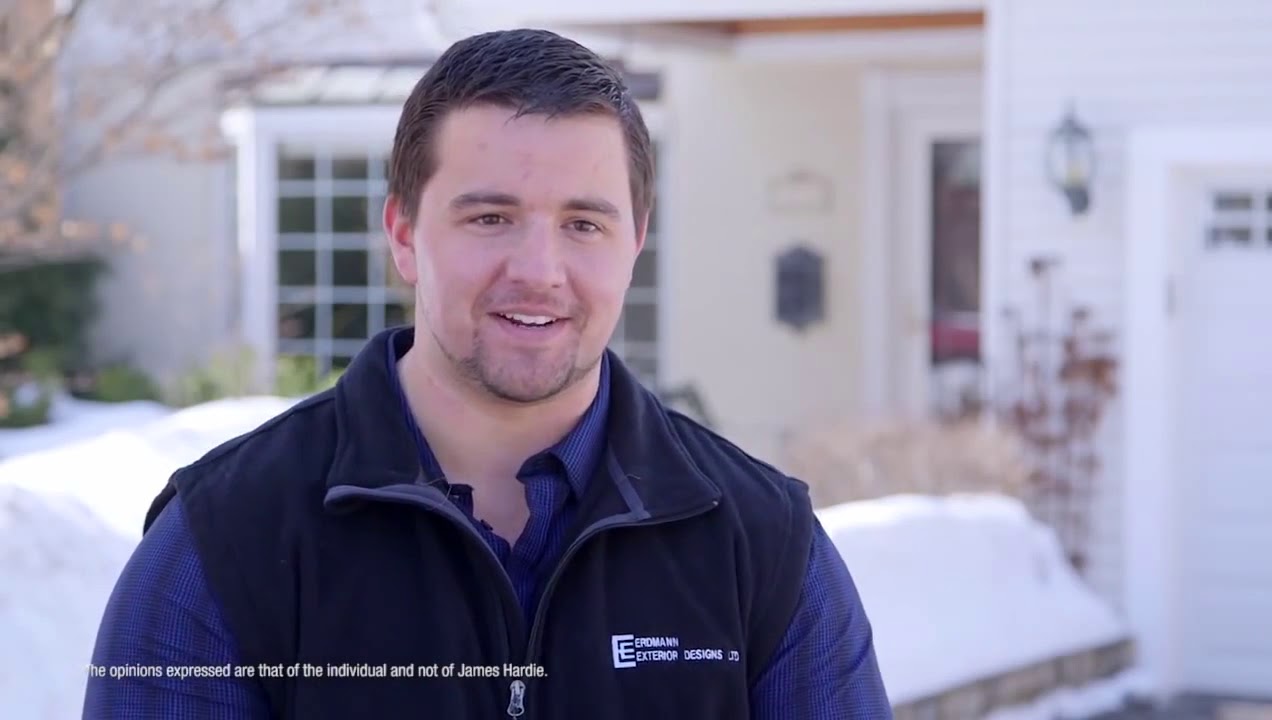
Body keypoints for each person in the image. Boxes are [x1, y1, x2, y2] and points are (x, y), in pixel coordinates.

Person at [83, 28, 891, 719]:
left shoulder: (763, 546)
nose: (539, 270)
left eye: (584, 223)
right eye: (491, 217)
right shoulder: (225, 540)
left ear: (635, 240)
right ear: (402, 233)